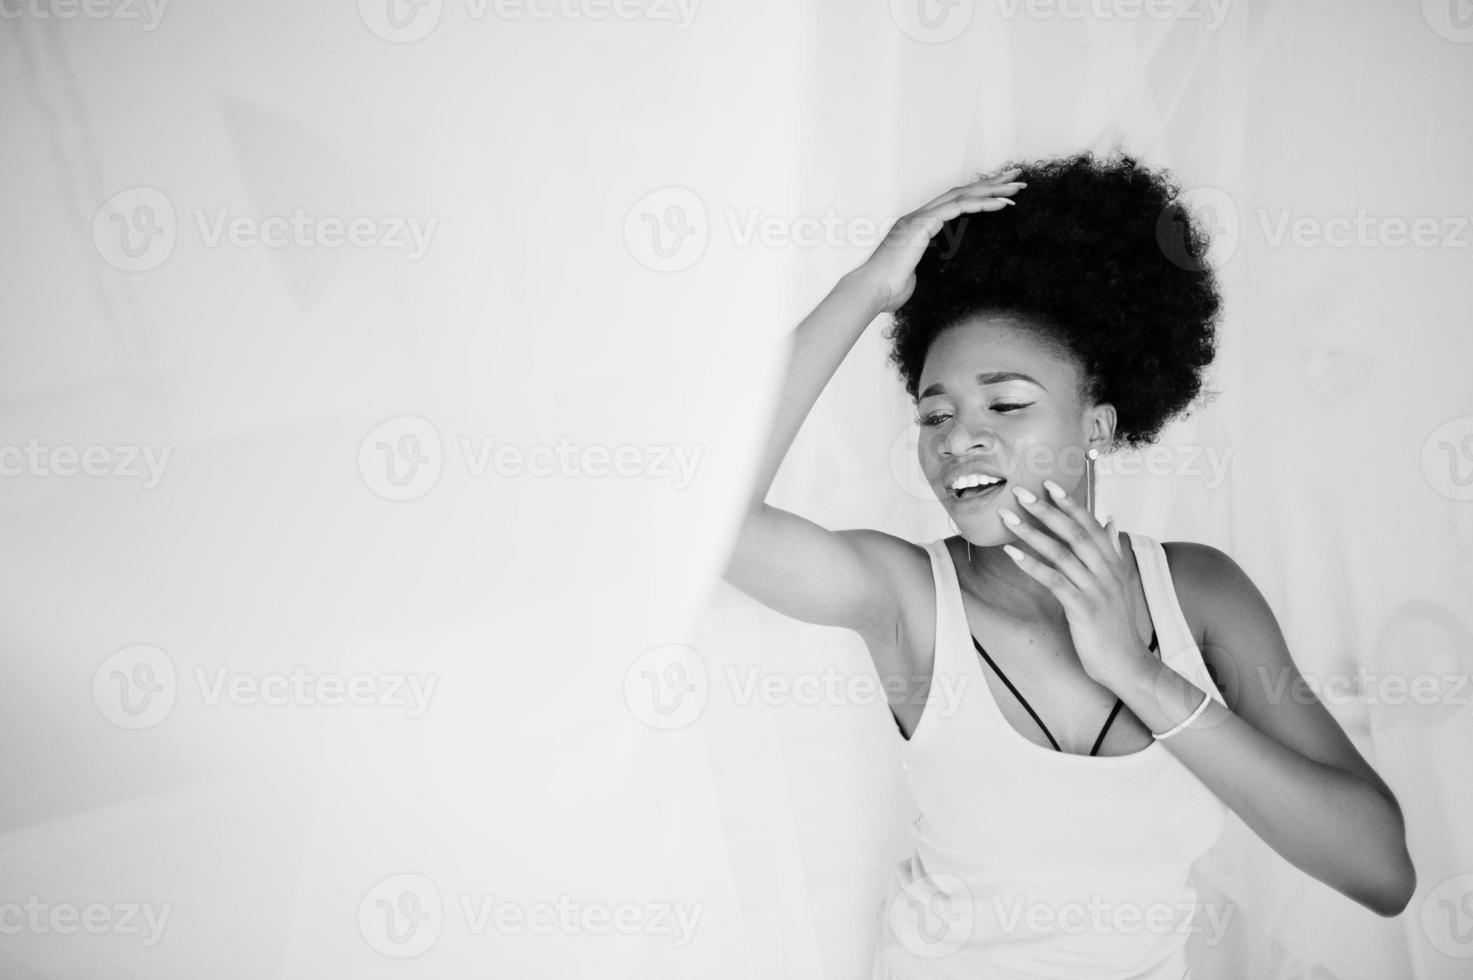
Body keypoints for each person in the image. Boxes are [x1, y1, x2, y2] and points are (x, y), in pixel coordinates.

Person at [720, 151, 1417, 979]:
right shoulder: (908, 598)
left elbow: (1379, 872)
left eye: (1005, 404)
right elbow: (707, 520)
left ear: (1096, 427)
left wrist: (1136, 673)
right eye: (933, 413)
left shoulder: (1196, 595)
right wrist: (868, 288)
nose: (956, 438)